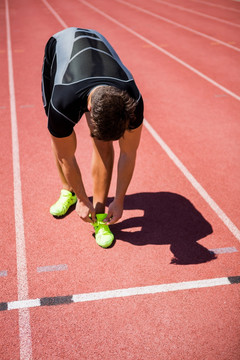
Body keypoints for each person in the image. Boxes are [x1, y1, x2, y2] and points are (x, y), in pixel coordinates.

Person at [41, 27, 144, 248]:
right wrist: (81, 198)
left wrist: (119, 199)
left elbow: (129, 152)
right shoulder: (63, 101)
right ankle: (67, 191)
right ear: (88, 109)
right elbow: (66, 157)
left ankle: (99, 215)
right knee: (61, 139)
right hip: (60, 47)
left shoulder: (133, 101)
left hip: (99, 56)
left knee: (103, 146)